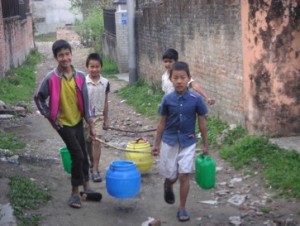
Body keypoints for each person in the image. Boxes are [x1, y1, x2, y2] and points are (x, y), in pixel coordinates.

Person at [34, 39, 101, 209]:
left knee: (84, 154)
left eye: (67, 54)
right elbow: (39, 97)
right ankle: (74, 192)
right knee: (77, 155)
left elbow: (86, 101)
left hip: (77, 121)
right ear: (56, 57)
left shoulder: (79, 76)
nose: (64, 58)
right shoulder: (51, 78)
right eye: (60, 55)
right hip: (62, 124)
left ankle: (87, 188)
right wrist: (50, 116)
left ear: (71, 54)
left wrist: (91, 124)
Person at [152, 61, 209, 222]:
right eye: (175, 78)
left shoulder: (196, 99)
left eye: (182, 78)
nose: (179, 81)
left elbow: (202, 123)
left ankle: (182, 208)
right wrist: (156, 145)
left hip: (188, 142)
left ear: (188, 78)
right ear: (170, 79)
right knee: (172, 176)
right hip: (169, 142)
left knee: (184, 175)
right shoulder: (167, 99)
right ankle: (168, 184)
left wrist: (205, 144)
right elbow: (161, 123)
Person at [84, 53, 110, 183]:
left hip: (98, 117)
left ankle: (95, 169)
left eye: (97, 66)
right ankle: (91, 161)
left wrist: (106, 120)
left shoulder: (105, 83)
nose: (94, 69)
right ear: (87, 67)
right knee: (88, 141)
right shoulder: (83, 82)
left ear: (101, 67)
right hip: (85, 118)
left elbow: (106, 102)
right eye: (91, 67)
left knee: (96, 141)